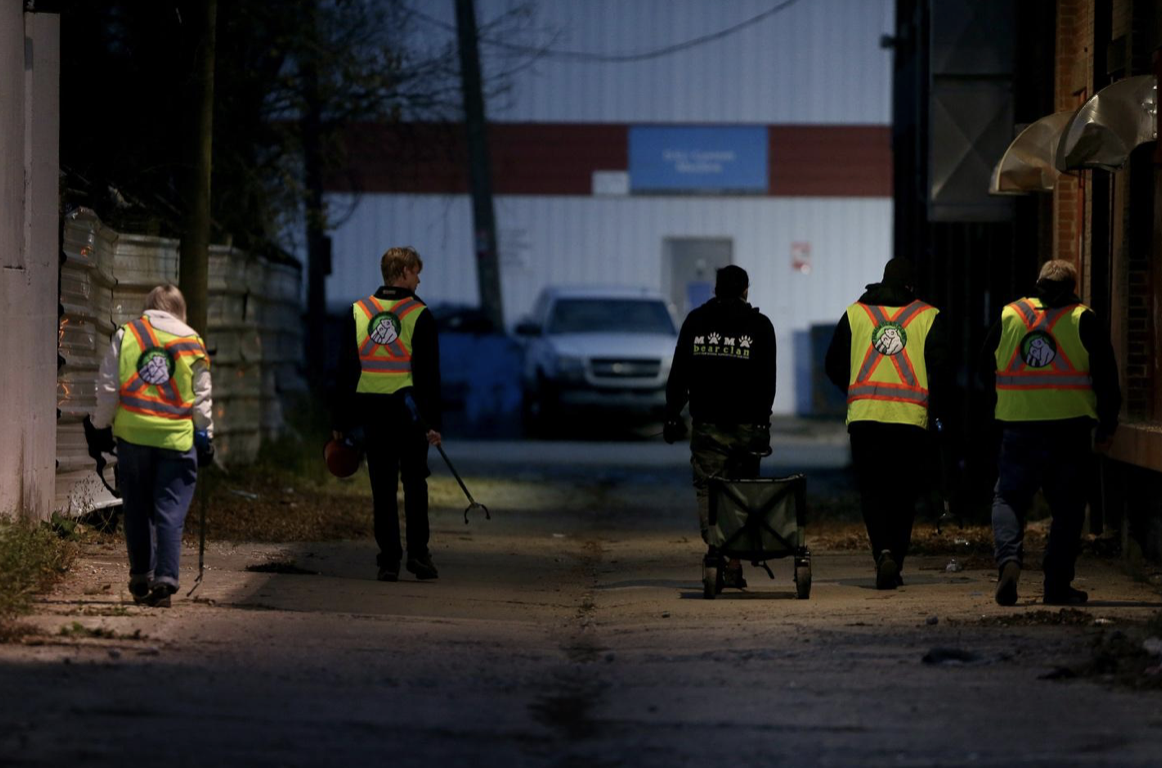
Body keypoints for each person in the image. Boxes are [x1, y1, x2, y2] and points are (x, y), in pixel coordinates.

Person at [980, 259, 1120, 606]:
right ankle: (1056, 585)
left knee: (1009, 498)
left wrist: (999, 406)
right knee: (1069, 508)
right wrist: (1107, 425)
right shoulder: (1083, 319)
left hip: (1019, 428)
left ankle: (1009, 562)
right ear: (1073, 285)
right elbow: (1106, 378)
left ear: (1038, 281)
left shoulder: (1010, 315)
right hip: (1070, 431)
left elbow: (984, 366)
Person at [86, 285, 214, 608]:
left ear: (148, 306)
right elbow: (202, 399)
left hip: (133, 438)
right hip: (176, 440)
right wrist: (205, 437)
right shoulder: (191, 342)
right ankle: (167, 577)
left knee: (137, 508)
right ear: (180, 310)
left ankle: (141, 574)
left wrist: (101, 425)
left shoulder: (127, 335)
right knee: (169, 509)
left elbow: (108, 386)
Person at [825, 258, 947, 590]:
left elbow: (833, 363)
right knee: (903, 493)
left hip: (866, 419)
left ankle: (883, 552)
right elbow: (941, 370)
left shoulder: (856, 314)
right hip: (909, 421)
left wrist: (854, 389)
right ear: (912, 285)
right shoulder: (927, 316)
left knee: (873, 491)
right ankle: (897, 555)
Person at [333, 246, 443, 582]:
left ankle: (389, 561)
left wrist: (340, 420)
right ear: (405, 271)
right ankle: (419, 555)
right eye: (416, 272)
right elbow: (428, 375)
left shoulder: (359, 311)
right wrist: (434, 423)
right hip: (409, 415)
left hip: (373, 414)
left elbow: (345, 370)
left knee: (382, 488)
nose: (419, 279)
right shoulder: (419, 314)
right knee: (414, 483)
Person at [663, 265, 777, 588]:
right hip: (747, 428)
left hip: (708, 426)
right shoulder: (760, 326)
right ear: (746, 291)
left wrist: (672, 414)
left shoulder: (696, 322)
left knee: (709, 488)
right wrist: (763, 421)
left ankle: (717, 550)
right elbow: (767, 381)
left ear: (715, 290)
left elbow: (679, 374)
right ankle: (735, 562)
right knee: (741, 492)